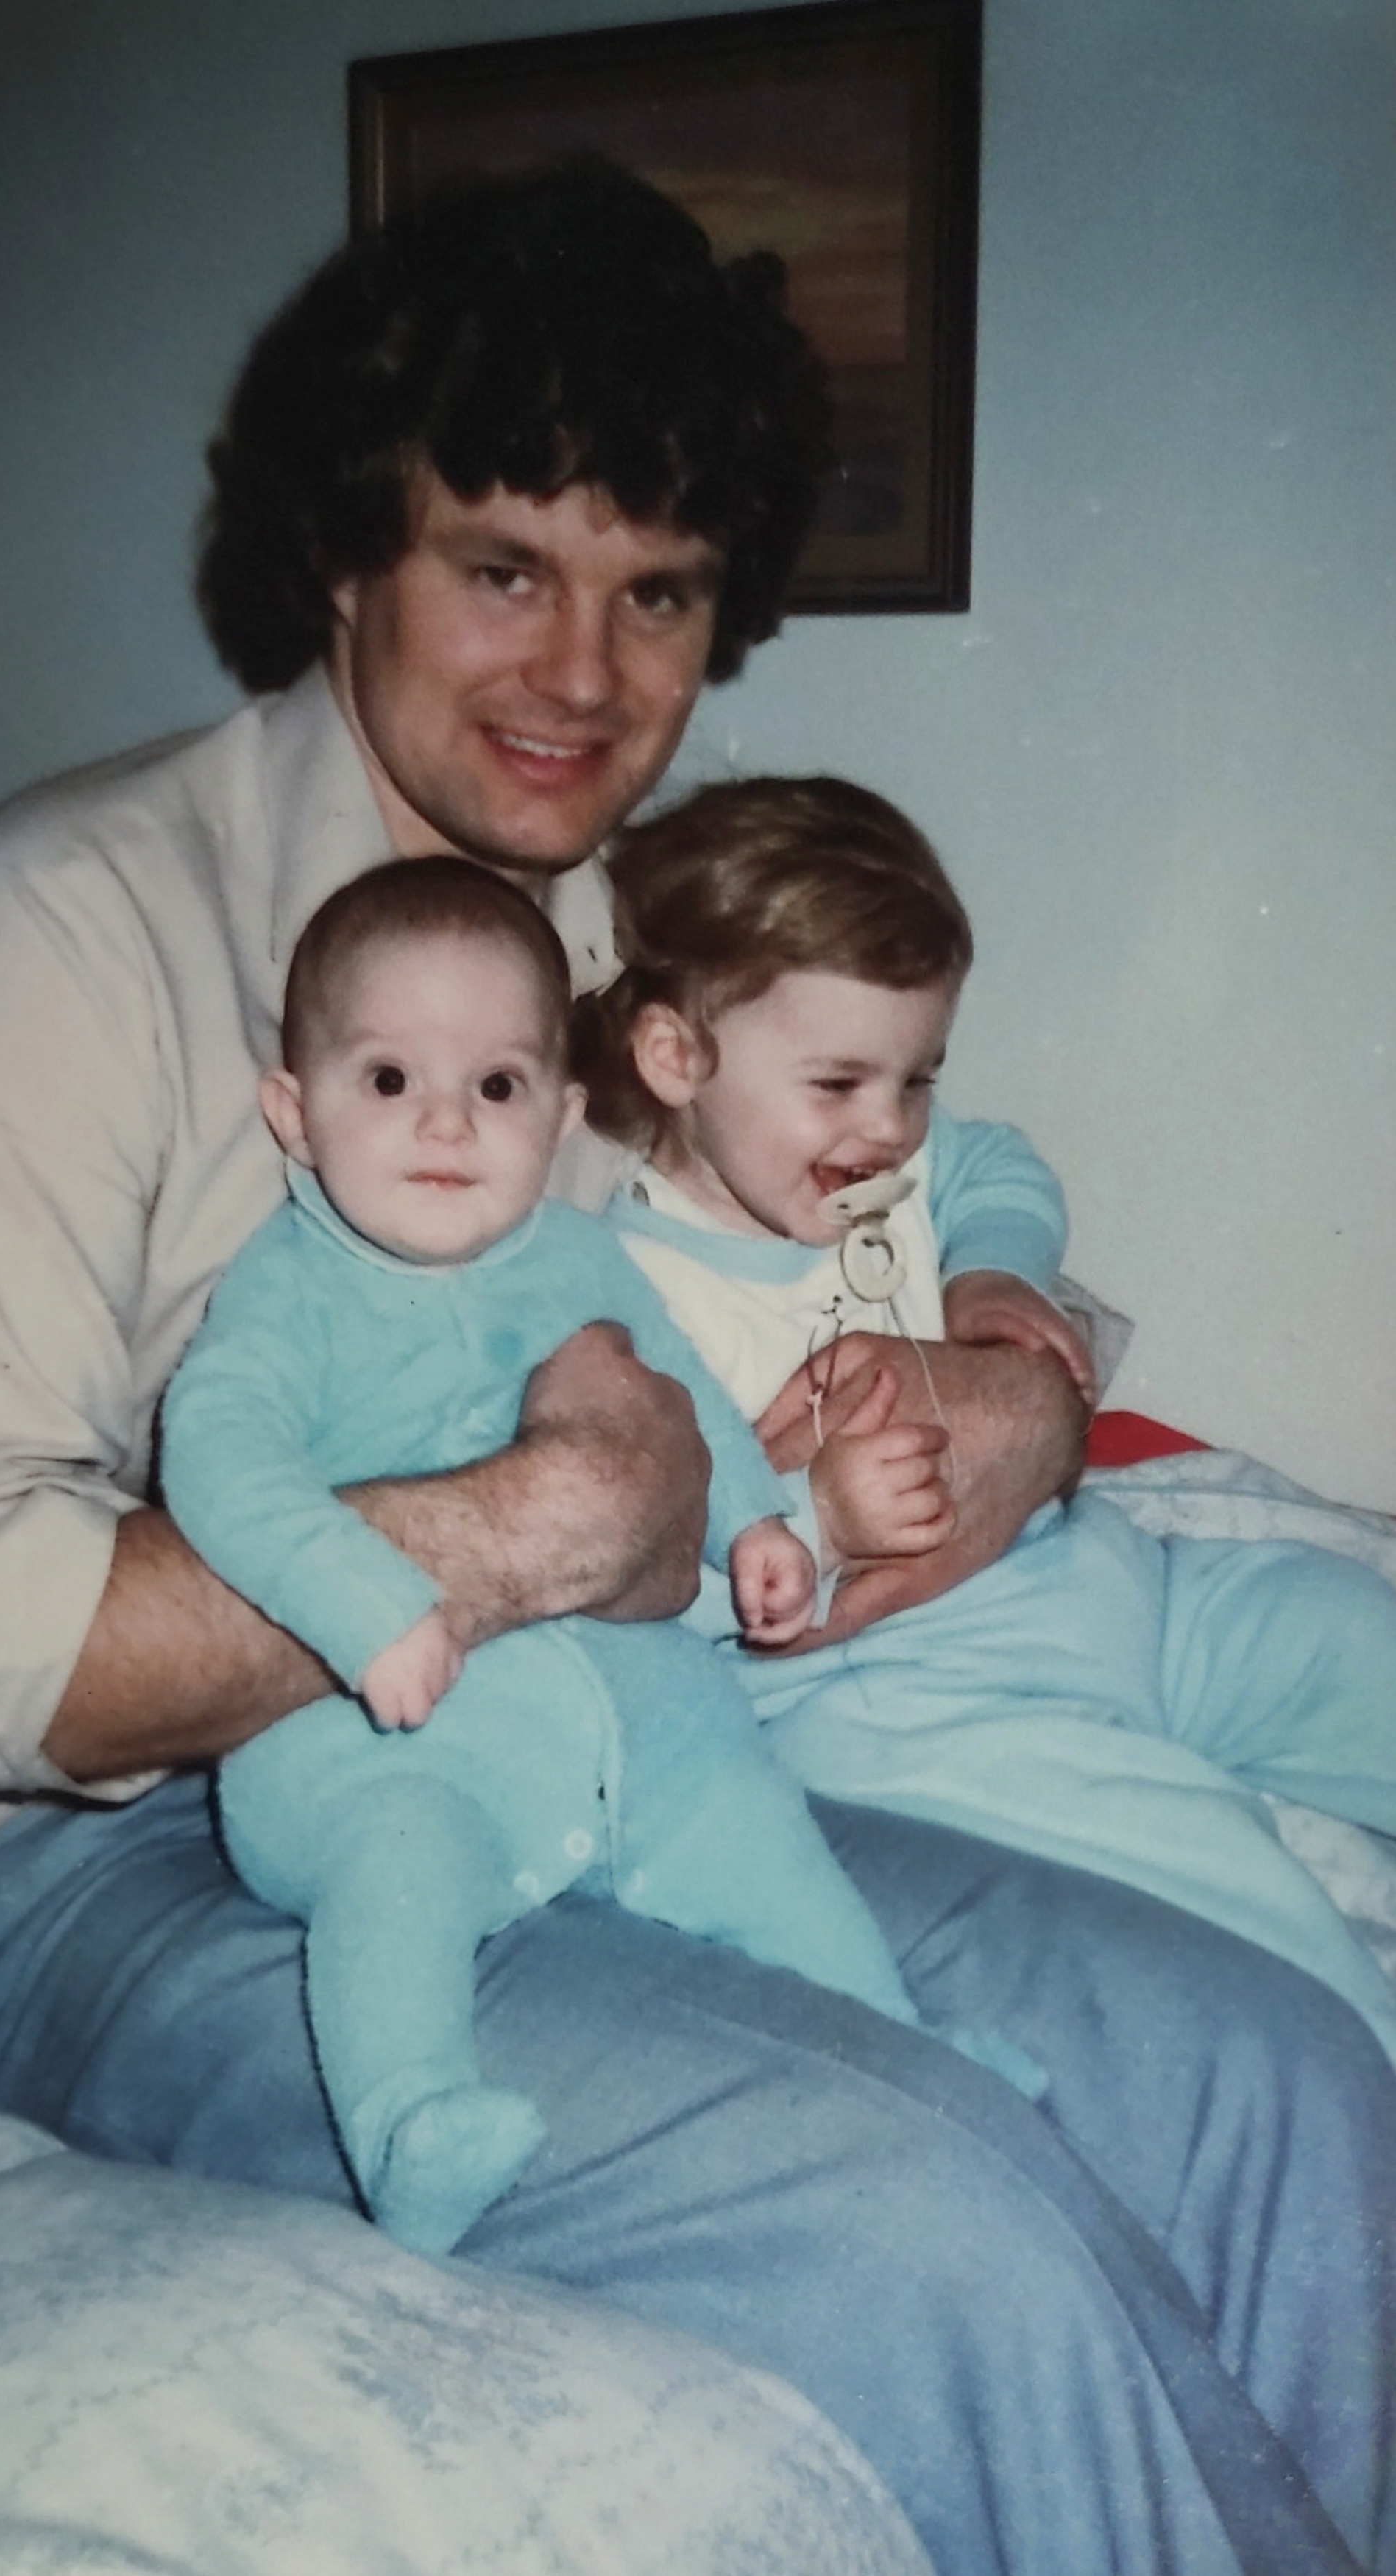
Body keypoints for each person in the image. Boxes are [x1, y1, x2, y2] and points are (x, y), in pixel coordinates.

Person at [0, 161, 1393, 2576]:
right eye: (503, 567)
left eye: (660, 594)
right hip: (66, 1859)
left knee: (1264, 2074)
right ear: (345, 556)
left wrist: (1019, 1378)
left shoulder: (620, 945)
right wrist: (518, 1530)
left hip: (597, 1744)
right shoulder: (72, 923)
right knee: (931, 2224)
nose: (585, 677)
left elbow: (883, 1196)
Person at [158, 855, 953, 2255]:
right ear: (295, 1112)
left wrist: (755, 1521)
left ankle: (903, 2046)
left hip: (623, 1724)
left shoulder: (576, 1256)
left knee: (757, 1823)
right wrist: (364, 1604)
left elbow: (680, 1387)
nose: (447, 1122)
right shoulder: (288, 1293)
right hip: (379, 1741)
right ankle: (413, 2121)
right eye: (388, 1080)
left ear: (563, 1115)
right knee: (394, 1872)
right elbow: (219, 1464)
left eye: (498, 1085)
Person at [580, 772, 1396, 2062]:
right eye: (840, 1082)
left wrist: (992, 1271)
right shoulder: (622, 1298)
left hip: (1095, 1570)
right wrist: (816, 1520)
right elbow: (622, 1586)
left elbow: (996, 1162)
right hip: (907, 1689)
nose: (888, 1127)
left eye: (917, 1078)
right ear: (675, 1057)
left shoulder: (889, 1160)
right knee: (1241, 1907)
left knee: (1346, 1633)